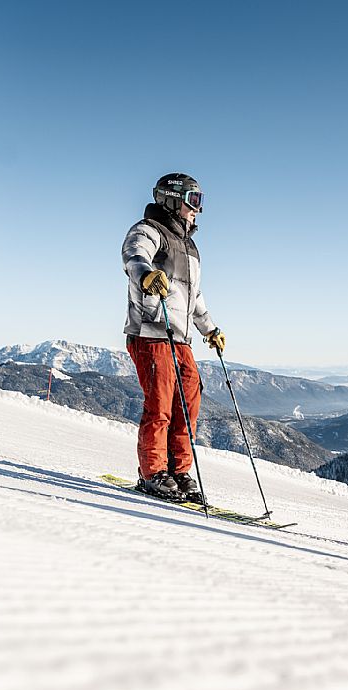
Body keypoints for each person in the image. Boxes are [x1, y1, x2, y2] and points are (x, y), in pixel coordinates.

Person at [122, 173, 225, 501]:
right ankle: (152, 473)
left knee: (187, 403)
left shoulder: (190, 247)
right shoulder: (148, 230)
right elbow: (133, 255)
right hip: (151, 332)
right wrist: (146, 275)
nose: (198, 209)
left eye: (200, 201)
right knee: (161, 405)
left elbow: (194, 296)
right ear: (171, 199)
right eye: (193, 200)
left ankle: (179, 471)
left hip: (180, 339)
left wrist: (210, 329)